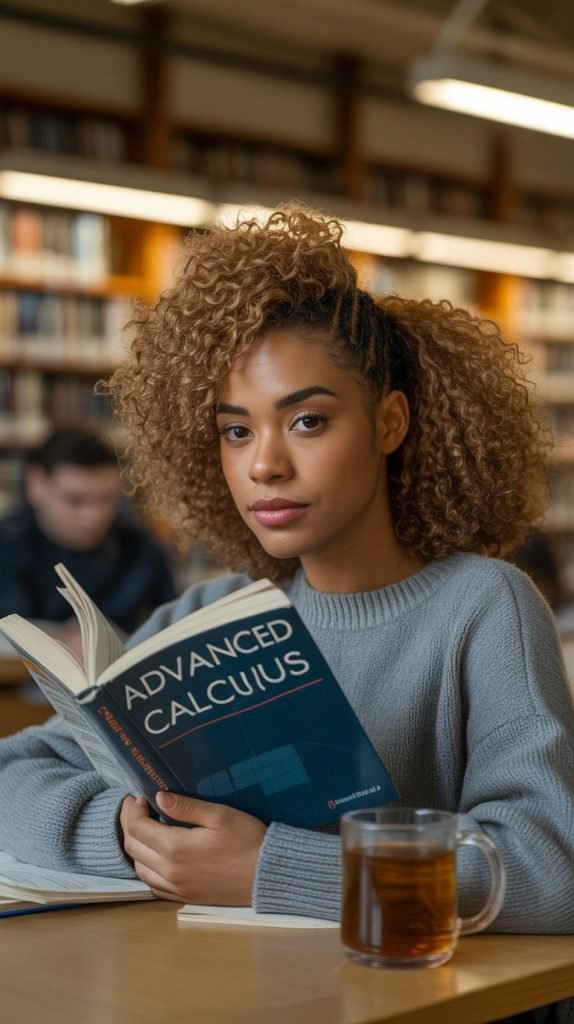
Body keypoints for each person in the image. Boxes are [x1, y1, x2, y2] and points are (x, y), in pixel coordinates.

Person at [0, 207, 573, 989]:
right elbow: (12, 778)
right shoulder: (203, 618)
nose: (264, 465)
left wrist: (268, 867)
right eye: (236, 431)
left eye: (307, 420)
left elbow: (547, 868)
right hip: (215, 992)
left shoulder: (481, 606)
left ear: (390, 422)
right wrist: (138, 841)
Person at [0, 426, 176, 639]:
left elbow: (173, 624)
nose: (94, 517)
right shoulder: (7, 546)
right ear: (36, 485)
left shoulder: (141, 547)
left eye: (106, 499)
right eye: (75, 500)